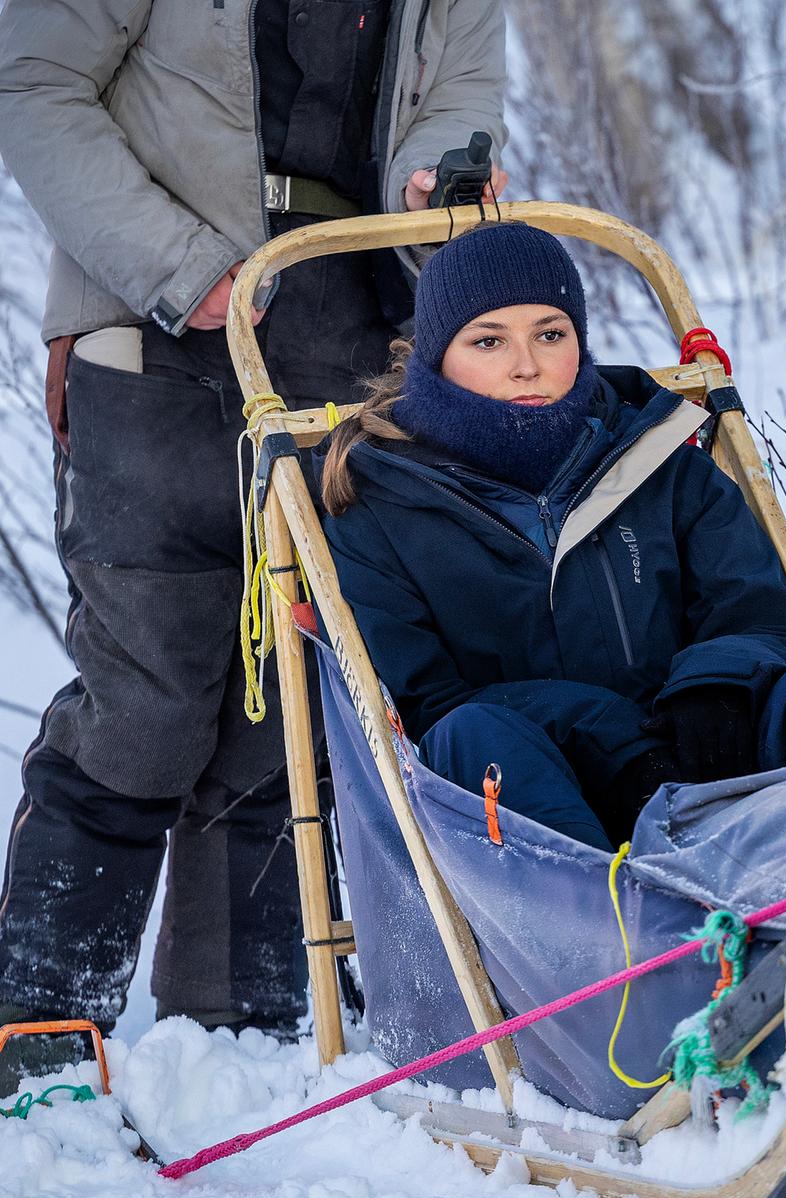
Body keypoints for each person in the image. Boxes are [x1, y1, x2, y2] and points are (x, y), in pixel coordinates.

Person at [0, 0, 508, 1079]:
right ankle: (40, 1022)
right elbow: (30, 85)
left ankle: (243, 1034)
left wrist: (433, 179)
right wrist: (180, 266)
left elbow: (458, 96)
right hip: (157, 324)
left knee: (288, 707)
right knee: (146, 700)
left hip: (353, 339)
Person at [318, 221, 786, 851]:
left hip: (706, 757)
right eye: (489, 341)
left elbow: (761, 614)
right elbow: (424, 705)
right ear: (437, 357)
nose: (527, 367)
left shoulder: (660, 461)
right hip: (540, 814)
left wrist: (714, 686)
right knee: (472, 734)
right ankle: (614, 915)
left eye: (550, 335)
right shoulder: (378, 505)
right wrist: (608, 737)